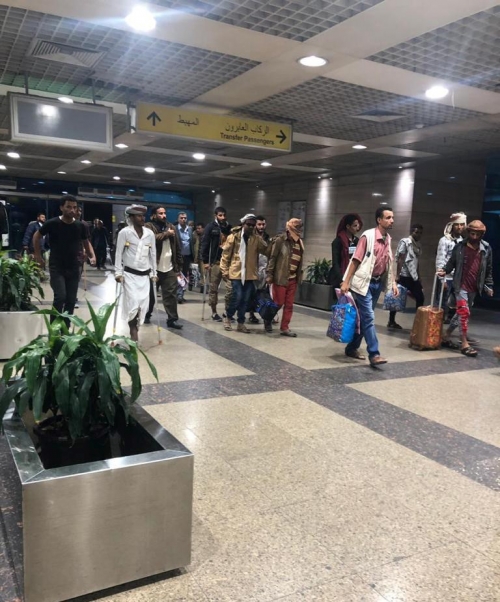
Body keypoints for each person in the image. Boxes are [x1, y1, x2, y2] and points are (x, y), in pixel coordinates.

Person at [340, 207, 398, 366]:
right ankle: (374, 353)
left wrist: (393, 282)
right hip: (364, 283)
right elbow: (356, 259)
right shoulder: (368, 236)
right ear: (379, 220)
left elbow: (389, 262)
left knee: (363, 317)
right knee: (369, 317)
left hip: (377, 284)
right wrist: (346, 282)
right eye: (388, 217)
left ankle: (352, 348)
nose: (391, 220)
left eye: (392, 217)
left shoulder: (388, 238)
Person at [33, 196, 96, 323]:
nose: (72, 210)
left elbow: (86, 242)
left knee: (71, 300)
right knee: (60, 297)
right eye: (68, 207)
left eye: (74, 207)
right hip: (57, 267)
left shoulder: (80, 226)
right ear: (61, 207)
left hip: (74, 267)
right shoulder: (52, 223)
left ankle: (65, 329)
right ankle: (54, 327)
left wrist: (91, 255)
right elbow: (36, 236)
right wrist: (38, 256)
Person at [438, 220, 493, 358]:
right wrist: (445, 270)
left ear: (482, 234)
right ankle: (464, 343)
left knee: (460, 313)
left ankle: (446, 335)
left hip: (474, 286)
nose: (474, 237)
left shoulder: (486, 248)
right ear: (468, 232)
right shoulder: (460, 247)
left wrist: (489, 285)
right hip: (460, 285)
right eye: (472, 233)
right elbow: (451, 262)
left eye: (478, 234)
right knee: (464, 313)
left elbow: (488, 269)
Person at [114, 205, 157, 342]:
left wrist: (154, 273)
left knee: (142, 305)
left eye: (143, 216)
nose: (142, 218)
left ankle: (136, 326)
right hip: (129, 275)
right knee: (132, 304)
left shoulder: (149, 234)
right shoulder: (125, 233)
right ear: (131, 218)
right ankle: (133, 331)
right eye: (139, 216)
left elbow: (153, 255)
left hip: (145, 276)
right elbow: (118, 253)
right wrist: (118, 273)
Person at [220, 213, 268, 333]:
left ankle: (241, 323)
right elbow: (225, 255)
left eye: (253, 225)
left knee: (245, 300)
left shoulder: (255, 239)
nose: (251, 227)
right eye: (249, 224)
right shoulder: (233, 237)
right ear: (243, 224)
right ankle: (228, 317)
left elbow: (266, 250)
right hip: (236, 272)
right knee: (237, 296)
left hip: (249, 274)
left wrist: (261, 238)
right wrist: (224, 271)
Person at [145, 206, 183, 329]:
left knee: (171, 295)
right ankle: (146, 314)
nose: (164, 215)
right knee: (150, 295)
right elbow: (152, 239)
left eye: (164, 213)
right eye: (160, 213)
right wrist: (167, 234)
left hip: (169, 267)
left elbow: (177, 246)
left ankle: (172, 319)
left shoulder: (171, 226)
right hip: (153, 268)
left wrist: (178, 265)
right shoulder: (148, 227)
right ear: (154, 215)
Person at [266, 218, 304, 336]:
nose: (298, 228)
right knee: (278, 303)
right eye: (296, 226)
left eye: (300, 226)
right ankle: (268, 318)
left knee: (289, 304)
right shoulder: (280, 240)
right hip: (280, 277)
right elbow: (272, 258)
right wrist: (269, 274)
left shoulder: (299, 242)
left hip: (293, 278)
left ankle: (285, 327)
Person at [388, 224, 424, 329]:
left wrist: (419, 275)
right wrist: (397, 275)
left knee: (420, 298)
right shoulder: (405, 242)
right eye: (416, 232)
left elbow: (416, 262)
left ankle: (418, 322)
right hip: (404, 275)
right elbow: (401, 259)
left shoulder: (418, 245)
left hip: (413, 276)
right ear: (412, 232)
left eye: (420, 233)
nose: (418, 235)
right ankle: (391, 321)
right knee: (396, 297)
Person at [201, 206, 233, 321]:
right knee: (213, 288)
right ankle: (214, 312)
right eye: (220, 215)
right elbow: (205, 243)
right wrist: (205, 261)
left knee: (231, 288)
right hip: (215, 262)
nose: (222, 217)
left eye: (224, 215)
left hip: (227, 262)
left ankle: (227, 311)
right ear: (216, 216)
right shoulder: (210, 227)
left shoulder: (229, 227)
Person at [435, 212, 466, 323]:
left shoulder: (463, 241)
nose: (459, 227)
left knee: (455, 303)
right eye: (457, 224)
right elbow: (440, 259)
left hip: (457, 278)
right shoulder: (444, 240)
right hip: (446, 277)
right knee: (442, 303)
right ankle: (436, 327)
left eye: (462, 224)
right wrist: (441, 279)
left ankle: (449, 325)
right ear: (452, 225)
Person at [248, 215, 271, 324]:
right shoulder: (251, 237)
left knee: (263, 293)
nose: (261, 226)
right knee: (252, 293)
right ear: (255, 225)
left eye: (263, 224)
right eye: (259, 224)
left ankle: (266, 315)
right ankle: (251, 314)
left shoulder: (268, 238)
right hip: (253, 268)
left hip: (264, 268)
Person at [330, 213, 362, 290]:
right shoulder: (338, 241)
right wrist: (342, 280)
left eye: (358, 225)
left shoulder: (357, 241)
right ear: (348, 226)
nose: (357, 228)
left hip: (353, 277)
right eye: (355, 226)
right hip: (340, 277)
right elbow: (336, 263)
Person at [175, 212, 194, 302]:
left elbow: (191, 243)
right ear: (178, 219)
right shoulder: (175, 229)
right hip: (178, 257)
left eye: (185, 218)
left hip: (187, 257)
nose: (183, 219)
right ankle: (176, 294)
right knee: (177, 276)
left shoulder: (189, 229)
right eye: (181, 218)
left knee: (184, 276)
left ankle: (180, 295)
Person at [193, 222, 205, 292]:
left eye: (199, 228)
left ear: (203, 229)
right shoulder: (194, 235)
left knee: (203, 273)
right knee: (194, 271)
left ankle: (203, 287)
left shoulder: (206, 236)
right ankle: (192, 284)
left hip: (203, 258)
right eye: (197, 228)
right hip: (196, 256)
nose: (197, 230)